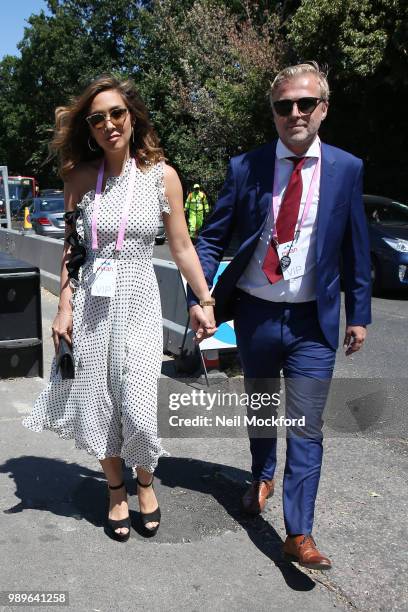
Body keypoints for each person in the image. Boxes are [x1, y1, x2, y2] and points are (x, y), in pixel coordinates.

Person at [187, 62, 371, 569]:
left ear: (323, 109)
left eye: (305, 103)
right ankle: (261, 473)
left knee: (307, 425)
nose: (294, 113)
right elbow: (212, 237)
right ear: (272, 112)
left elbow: (355, 247)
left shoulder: (346, 168)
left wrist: (359, 314)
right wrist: (200, 295)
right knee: (264, 409)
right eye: (283, 105)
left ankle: (299, 533)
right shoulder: (246, 166)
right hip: (256, 315)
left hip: (314, 322)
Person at [22, 75, 216, 542]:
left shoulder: (162, 175)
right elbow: (72, 249)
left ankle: (145, 482)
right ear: (88, 127)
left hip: (140, 301)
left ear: (132, 117)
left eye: (117, 114)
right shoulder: (79, 178)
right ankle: (115, 491)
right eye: (97, 118)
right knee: (97, 401)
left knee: (139, 403)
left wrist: (203, 299)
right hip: (91, 302)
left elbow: (183, 246)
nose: (109, 124)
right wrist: (64, 307)